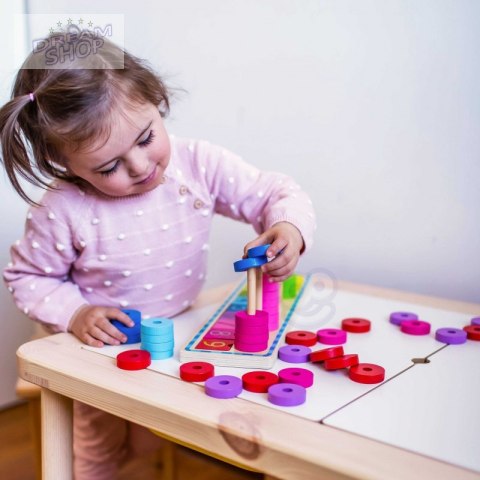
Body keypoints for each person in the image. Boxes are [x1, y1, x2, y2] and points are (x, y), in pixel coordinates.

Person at [0, 30, 316, 479]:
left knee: (153, 435)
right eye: (108, 167)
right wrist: (75, 313)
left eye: (146, 138)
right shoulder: (62, 208)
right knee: (99, 453)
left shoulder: (199, 164)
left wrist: (288, 226)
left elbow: (274, 192)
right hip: (102, 354)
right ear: (65, 163)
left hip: (178, 338)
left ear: (156, 99)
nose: (141, 167)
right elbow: (28, 277)